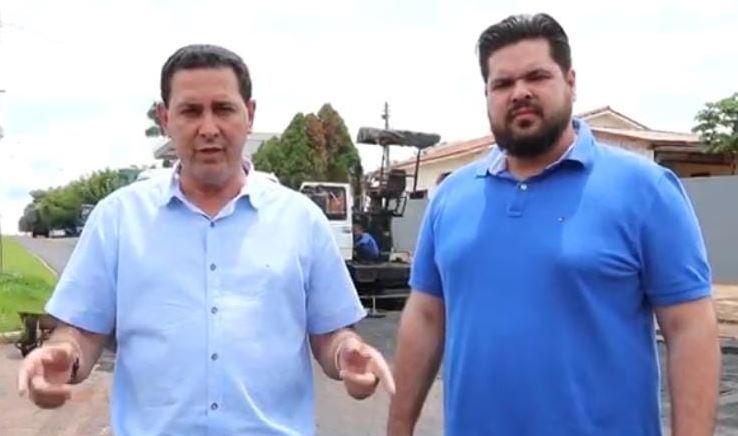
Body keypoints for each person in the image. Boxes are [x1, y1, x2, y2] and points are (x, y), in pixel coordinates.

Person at [17, 44, 395, 436]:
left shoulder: (301, 220)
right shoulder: (118, 219)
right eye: (191, 111)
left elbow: (330, 332)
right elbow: (83, 330)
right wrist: (62, 354)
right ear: (165, 118)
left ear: (249, 115)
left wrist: (347, 353)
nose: (209, 128)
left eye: (224, 109)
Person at [388, 13, 720, 436]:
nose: (519, 92)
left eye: (537, 76)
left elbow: (690, 328)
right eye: (502, 83)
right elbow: (425, 317)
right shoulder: (451, 197)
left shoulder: (645, 190)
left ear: (570, 81)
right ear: (487, 94)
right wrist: (398, 428)